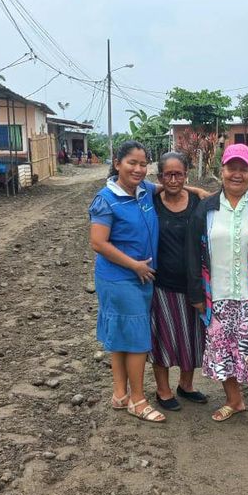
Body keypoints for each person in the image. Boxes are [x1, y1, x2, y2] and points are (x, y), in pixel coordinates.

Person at [186, 143, 248, 437]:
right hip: (216, 296)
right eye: (232, 168)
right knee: (223, 351)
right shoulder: (206, 208)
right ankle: (234, 401)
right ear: (222, 170)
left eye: (243, 169)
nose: (237, 174)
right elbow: (192, 252)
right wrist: (197, 294)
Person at [89, 140, 165, 423]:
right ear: (117, 163)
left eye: (143, 164)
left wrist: (196, 191)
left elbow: (165, 188)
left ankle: (120, 394)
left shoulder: (143, 190)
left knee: (121, 335)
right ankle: (138, 400)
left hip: (140, 276)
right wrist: (134, 265)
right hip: (120, 278)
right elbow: (98, 242)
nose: (138, 169)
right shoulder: (106, 199)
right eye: (132, 163)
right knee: (136, 339)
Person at [150, 151, 208, 411]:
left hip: (194, 284)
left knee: (192, 337)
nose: (173, 180)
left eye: (179, 174)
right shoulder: (151, 202)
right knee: (162, 339)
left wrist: (196, 190)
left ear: (186, 175)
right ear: (160, 177)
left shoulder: (198, 202)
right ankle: (162, 390)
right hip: (162, 284)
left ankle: (186, 385)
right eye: (168, 175)